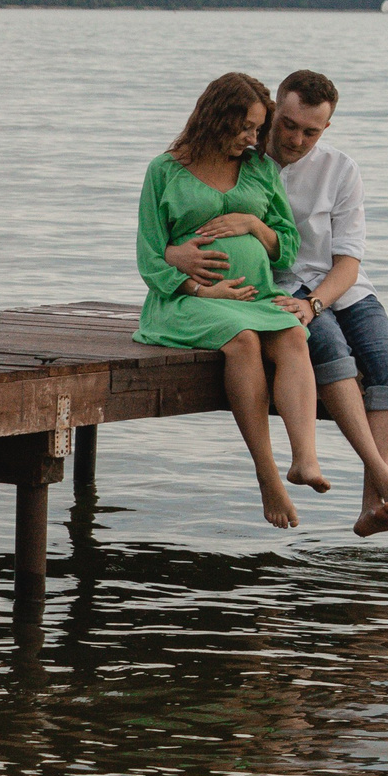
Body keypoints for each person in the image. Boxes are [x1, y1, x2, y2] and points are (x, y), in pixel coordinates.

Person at [168, 70, 388, 535]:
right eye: (287, 124)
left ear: (326, 129)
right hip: (279, 286)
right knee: (331, 352)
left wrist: (317, 304)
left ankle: (372, 502)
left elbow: (347, 262)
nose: (296, 138)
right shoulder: (242, 159)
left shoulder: (340, 170)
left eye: (311, 131)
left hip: (340, 287)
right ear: (275, 111)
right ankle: (383, 477)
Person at [132, 72, 322, 530]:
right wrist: (198, 285)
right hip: (184, 301)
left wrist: (253, 226)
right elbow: (148, 255)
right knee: (243, 342)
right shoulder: (165, 170)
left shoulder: (259, 169)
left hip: (256, 296)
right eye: (245, 127)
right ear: (216, 118)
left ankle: (305, 458)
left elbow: (289, 246)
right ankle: (267, 474)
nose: (253, 138)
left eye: (258, 128)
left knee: (294, 332)